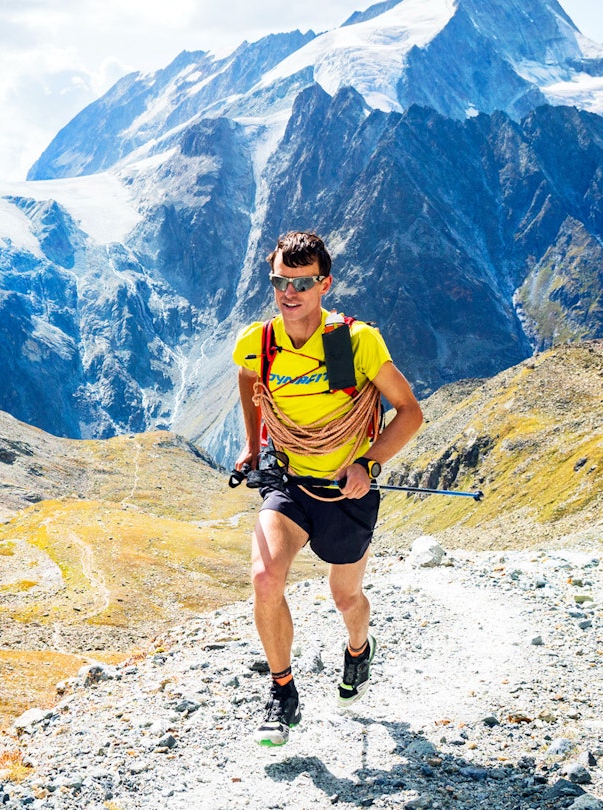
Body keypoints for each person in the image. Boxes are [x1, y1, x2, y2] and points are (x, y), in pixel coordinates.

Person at [232, 231, 424, 746]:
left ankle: (359, 650)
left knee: (345, 597)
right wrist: (255, 447)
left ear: (325, 284)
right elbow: (250, 388)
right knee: (266, 577)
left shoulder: (354, 342)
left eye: (302, 282)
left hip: (348, 492)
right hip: (291, 485)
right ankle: (282, 694)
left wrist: (368, 461)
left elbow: (410, 413)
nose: (289, 292)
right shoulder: (259, 343)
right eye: (280, 281)